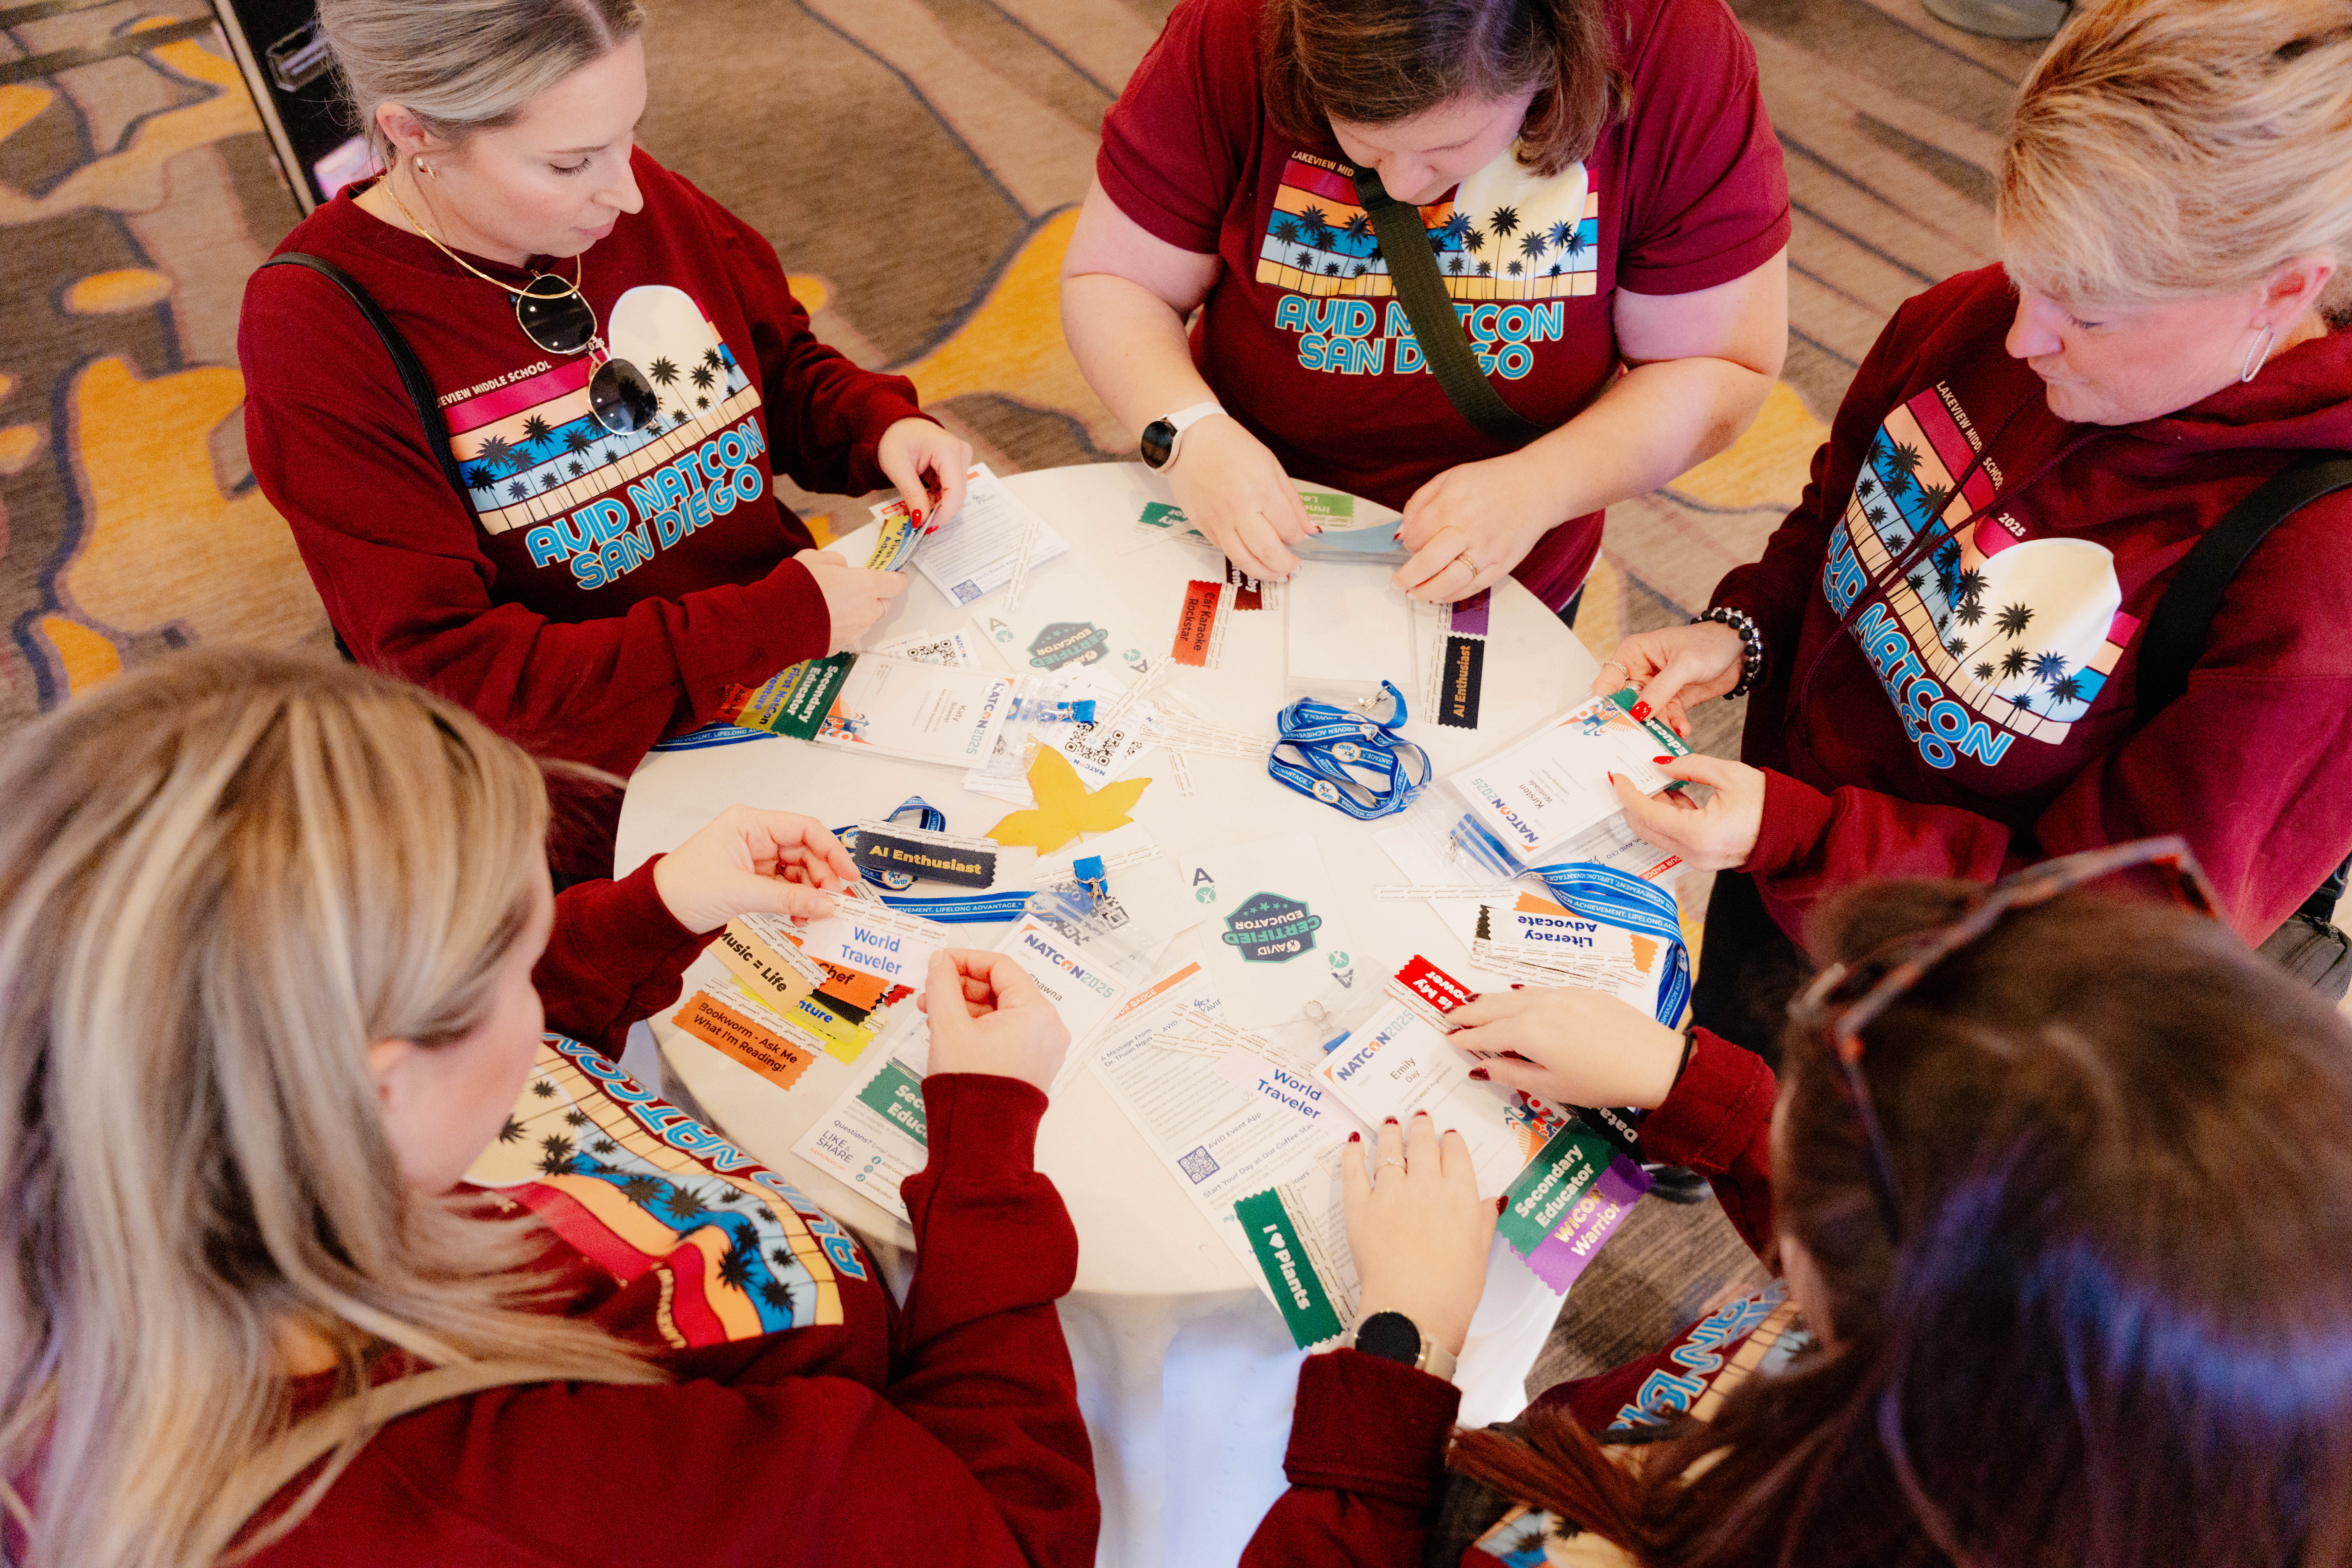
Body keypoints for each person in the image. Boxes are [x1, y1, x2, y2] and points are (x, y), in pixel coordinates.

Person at [0, 648, 1097, 1568]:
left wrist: (657, 909)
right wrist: (986, 1149)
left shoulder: (132, 1132)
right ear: (377, 1089)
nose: (540, 982)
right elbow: (1002, 1531)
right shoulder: (534, 1495)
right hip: (917, 1395)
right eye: (519, 969)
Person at [1241, 842, 2352, 1565]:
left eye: (1803, 1132)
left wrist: (1403, 1350)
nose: (1777, 1124)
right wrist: (1685, 1080)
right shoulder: (2073, 1399)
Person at [1593, 0, 2352, 1037]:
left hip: (1959, 1012)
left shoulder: (2317, 580)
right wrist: (1742, 635)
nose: (2025, 337)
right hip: (1776, 855)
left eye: (2090, 310)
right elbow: (1834, 521)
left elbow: (2111, 929)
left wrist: (1806, 836)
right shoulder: (1976, 321)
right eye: (2026, 270)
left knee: (1817, 1182)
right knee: (1719, 1058)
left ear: (2285, 292)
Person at [238, 0, 970, 805]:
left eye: (630, 135)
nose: (626, 193)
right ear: (415, 133)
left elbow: (772, 366)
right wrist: (770, 624)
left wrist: (875, 423)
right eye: (569, 164)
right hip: (592, 789)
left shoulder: (624, 190)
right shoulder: (315, 328)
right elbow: (456, 674)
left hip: (796, 679)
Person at [1061, 0, 1790, 609]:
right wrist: (1188, 434)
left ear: (1552, 51)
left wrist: (1541, 486)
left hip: (1507, 561)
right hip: (1236, 518)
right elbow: (1118, 280)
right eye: (1364, 144)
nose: (1407, 184)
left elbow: (1718, 364)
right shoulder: (1235, 24)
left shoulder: (1671, 45)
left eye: (1450, 147)